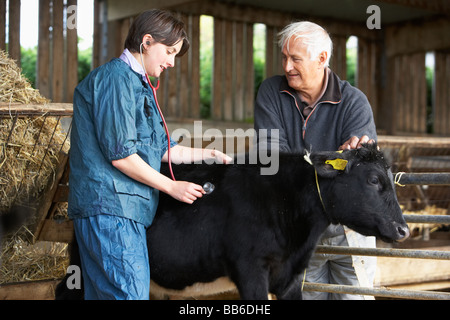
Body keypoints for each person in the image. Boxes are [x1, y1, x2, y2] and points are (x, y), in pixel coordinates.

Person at [68, 9, 231, 300]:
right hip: (110, 209)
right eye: (168, 51)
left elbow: (164, 149)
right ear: (146, 41)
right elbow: (120, 155)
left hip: (124, 211)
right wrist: (172, 186)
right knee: (130, 294)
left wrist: (210, 154)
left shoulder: (138, 84)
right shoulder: (115, 80)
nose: (170, 62)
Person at [254, 21, 377, 300]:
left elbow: (359, 167)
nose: (286, 67)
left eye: (295, 59)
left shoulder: (354, 102)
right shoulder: (271, 92)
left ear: (322, 59)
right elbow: (272, 158)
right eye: (284, 57)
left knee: (354, 297)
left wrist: (344, 163)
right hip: (301, 228)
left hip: (350, 229)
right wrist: (334, 162)